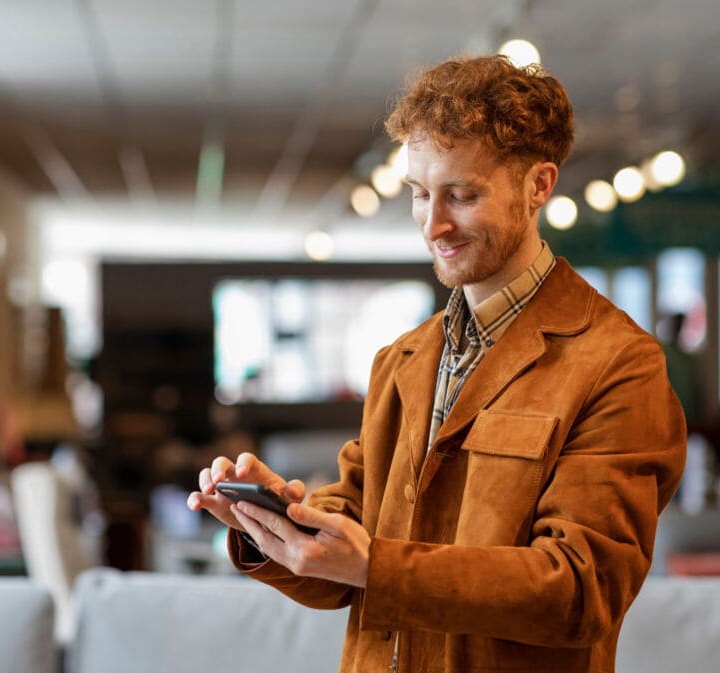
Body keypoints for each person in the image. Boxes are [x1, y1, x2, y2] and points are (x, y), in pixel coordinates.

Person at [187, 55, 686, 673]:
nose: (433, 223)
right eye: (421, 194)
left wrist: (377, 566)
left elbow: (581, 591)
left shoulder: (617, 364)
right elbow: (347, 570)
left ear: (538, 185)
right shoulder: (403, 360)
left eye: (463, 195)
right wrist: (274, 524)